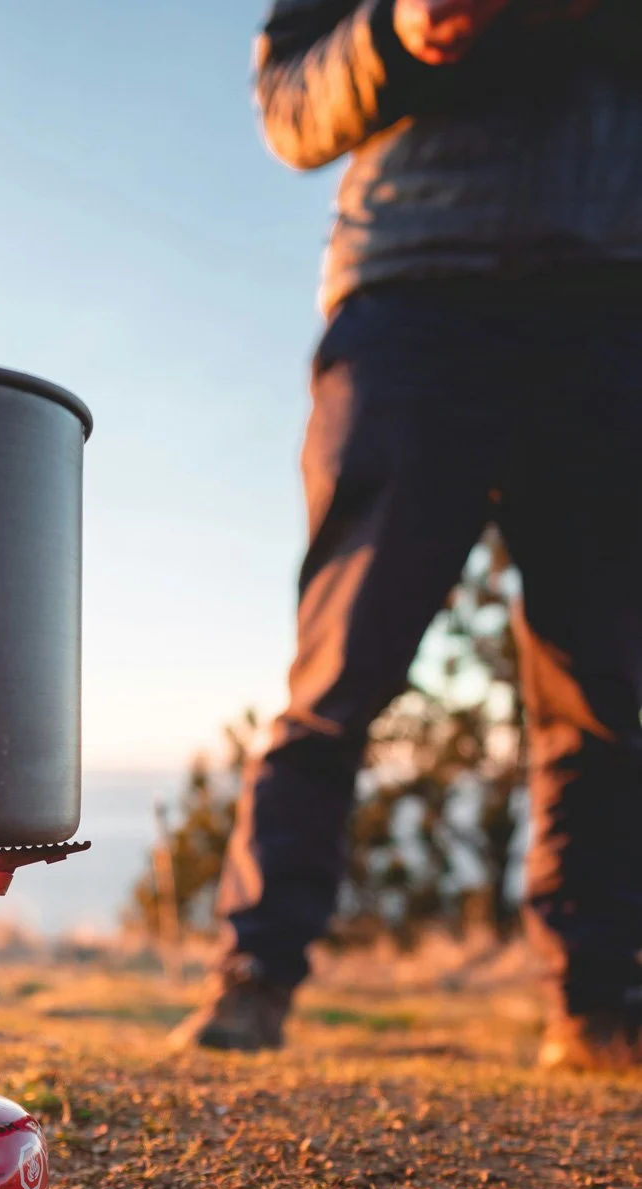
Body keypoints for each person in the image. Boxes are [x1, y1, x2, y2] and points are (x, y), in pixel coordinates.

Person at [172, 0, 642, 1067]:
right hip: (410, 301)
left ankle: (595, 999)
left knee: (601, 680)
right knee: (341, 663)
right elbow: (291, 108)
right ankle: (254, 976)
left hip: (615, 299)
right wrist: (398, 32)